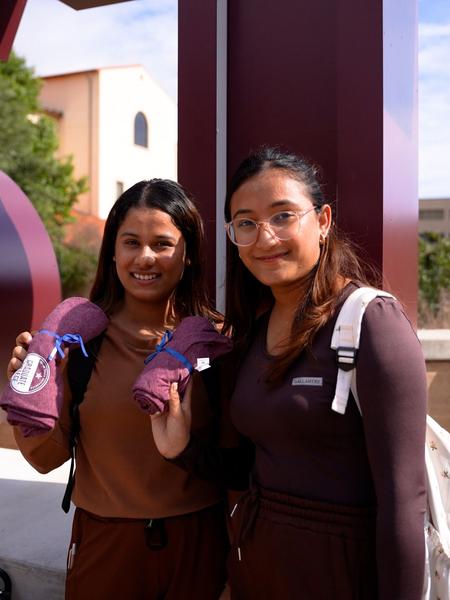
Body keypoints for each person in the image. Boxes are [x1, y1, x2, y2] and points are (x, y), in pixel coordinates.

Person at [150, 147, 428, 600]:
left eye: (283, 216)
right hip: (258, 574)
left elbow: (403, 503)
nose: (265, 238)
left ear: (322, 221)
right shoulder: (250, 334)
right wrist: (181, 449)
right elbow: (251, 468)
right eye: (246, 223)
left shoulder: (370, 322)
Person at [6, 179, 230, 600]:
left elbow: (239, 462)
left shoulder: (215, 343)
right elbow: (45, 460)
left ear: (188, 254)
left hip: (200, 544)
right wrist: (30, 393)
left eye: (162, 243)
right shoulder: (78, 342)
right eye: (131, 242)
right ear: (113, 252)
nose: (145, 256)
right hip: (105, 548)